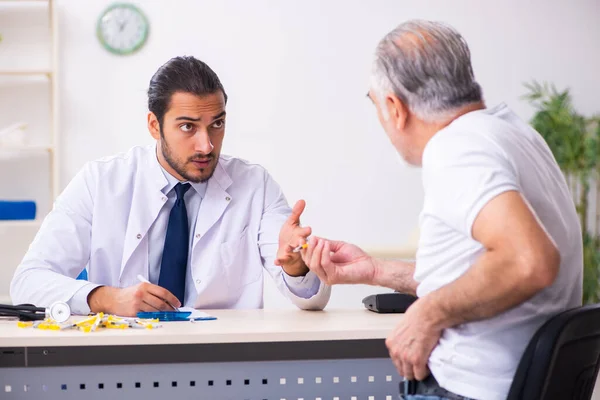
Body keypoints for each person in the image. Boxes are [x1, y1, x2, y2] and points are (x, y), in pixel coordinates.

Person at [299, 20, 582, 400]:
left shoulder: (457, 149)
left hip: (470, 391)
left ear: (395, 108)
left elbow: (529, 262)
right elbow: (486, 274)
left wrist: (428, 313)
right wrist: (376, 271)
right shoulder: (513, 134)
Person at [10, 56, 330, 316]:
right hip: (120, 365)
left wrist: (297, 266)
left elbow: (311, 299)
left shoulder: (255, 185)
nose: (206, 145)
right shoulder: (100, 182)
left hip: (227, 365)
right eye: (188, 127)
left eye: (216, 124)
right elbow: (28, 282)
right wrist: (105, 298)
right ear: (154, 125)